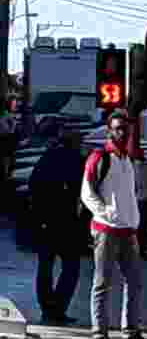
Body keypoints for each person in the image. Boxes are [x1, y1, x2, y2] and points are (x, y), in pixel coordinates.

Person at [80, 111, 147, 339]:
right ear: (109, 131)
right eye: (117, 128)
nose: (122, 132)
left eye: (125, 128)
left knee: (135, 283)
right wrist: (107, 213)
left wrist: (133, 219)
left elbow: (131, 194)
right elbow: (86, 193)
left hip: (128, 231)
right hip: (106, 230)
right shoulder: (100, 157)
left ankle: (131, 334)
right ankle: (99, 334)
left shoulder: (127, 160)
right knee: (102, 283)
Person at [29, 123, 85, 325]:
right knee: (71, 268)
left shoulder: (47, 157)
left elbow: (33, 185)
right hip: (68, 222)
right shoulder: (77, 160)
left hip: (46, 222)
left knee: (45, 265)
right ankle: (58, 307)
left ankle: (47, 308)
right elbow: (84, 191)